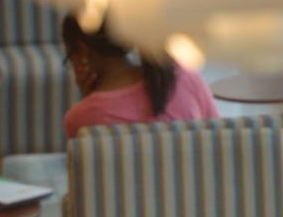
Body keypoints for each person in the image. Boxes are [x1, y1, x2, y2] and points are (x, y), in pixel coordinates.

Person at [61, 15, 220, 139]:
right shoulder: (185, 77)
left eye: (70, 56)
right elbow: (217, 138)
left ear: (83, 51)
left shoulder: (80, 118)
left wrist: (90, 101)